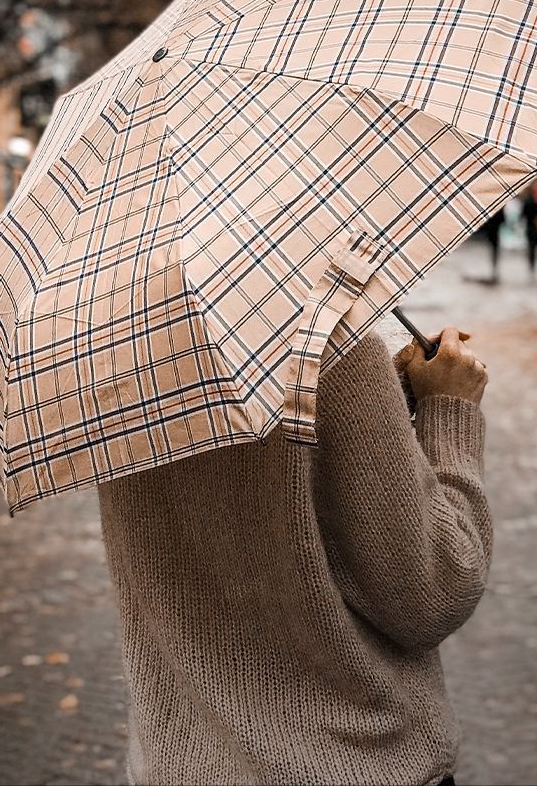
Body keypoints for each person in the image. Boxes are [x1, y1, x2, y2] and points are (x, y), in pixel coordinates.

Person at [98, 325, 491, 786]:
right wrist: (450, 408)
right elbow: (438, 590)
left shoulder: (108, 351)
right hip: (346, 763)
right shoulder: (323, 330)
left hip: (176, 764)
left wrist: (385, 393)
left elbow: (239, 489)